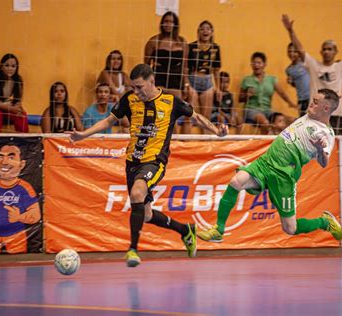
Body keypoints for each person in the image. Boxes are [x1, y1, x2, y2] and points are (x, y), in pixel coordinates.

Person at [67, 64, 228, 267]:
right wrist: (83, 135)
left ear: (152, 81)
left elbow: (195, 117)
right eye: (133, 87)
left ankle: (132, 250)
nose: (136, 91)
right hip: (132, 161)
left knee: (137, 193)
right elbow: (109, 121)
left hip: (155, 160)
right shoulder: (129, 99)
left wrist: (216, 131)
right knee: (147, 214)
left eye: (140, 87)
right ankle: (185, 230)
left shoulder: (170, 101)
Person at [198, 88, 342, 243]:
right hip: (266, 163)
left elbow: (324, 163)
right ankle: (218, 230)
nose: (311, 104)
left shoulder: (326, 133)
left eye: (315, 102)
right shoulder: (309, 115)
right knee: (236, 182)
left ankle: (325, 223)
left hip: (284, 175)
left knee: (290, 228)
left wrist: (320, 149)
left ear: (326, 108)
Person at [239, 52, 297, 135]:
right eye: (254, 63)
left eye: (259, 63)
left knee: (291, 120)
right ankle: (264, 145)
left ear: (264, 64)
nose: (256, 65)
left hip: (267, 111)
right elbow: (240, 99)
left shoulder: (271, 79)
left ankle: (285, 143)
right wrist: (246, 95)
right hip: (251, 110)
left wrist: (292, 104)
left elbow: (282, 93)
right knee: (265, 122)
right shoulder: (247, 80)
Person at [144, 11, 189, 100]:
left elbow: (185, 67)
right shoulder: (154, 41)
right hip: (159, 77)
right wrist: (147, 83)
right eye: (166, 21)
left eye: (171, 22)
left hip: (176, 79)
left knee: (176, 107)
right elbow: (146, 66)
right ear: (162, 23)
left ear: (175, 24)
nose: (168, 24)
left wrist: (186, 84)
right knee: (158, 106)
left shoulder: (182, 42)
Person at [187, 21, 222, 133]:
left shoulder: (215, 48)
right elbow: (185, 69)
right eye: (202, 29)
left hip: (207, 82)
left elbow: (216, 70)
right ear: (198, 32)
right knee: (189, 115)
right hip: (193, 80)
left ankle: (205, 145)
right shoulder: (191, 47)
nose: (205, 31)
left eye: (208, 29)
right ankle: (185, 145)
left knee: (206, 118)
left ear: (212, 32)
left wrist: (219, 88)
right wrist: (186, 85)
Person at [96, 50, 130, 132]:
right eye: (113, 58)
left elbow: (132, 93)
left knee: (127, 127)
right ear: (108, 61)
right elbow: (116, 93)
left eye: (118, 59)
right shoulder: (104, 73)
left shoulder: (123, 75)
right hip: (106, 110)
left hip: (120, 108)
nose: (116, 61)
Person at [285, 43, 310, 117]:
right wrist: (291, 82)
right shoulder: (288, 70)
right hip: (301, 100)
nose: (291, 54)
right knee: (303, 121)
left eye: (294, 51)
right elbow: (296, 85)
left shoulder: (305, 63)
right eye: (289, 51)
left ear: (299, 52)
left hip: (312, 97)